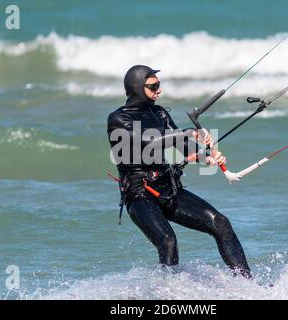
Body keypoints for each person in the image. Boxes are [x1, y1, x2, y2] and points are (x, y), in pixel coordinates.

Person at [107, 65, 251, 278]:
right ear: (137, 87)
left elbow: (182, 144)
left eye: (159, 85)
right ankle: (168, 293)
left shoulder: (160, 113)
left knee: (221, 223)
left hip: (168, 188)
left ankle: (248, 285)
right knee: (167, 240)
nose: (159, 90)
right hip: (140, 195)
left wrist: (206, 157)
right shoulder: (119, 119)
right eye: (153, 86)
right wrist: (189, 132)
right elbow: (148, 142)